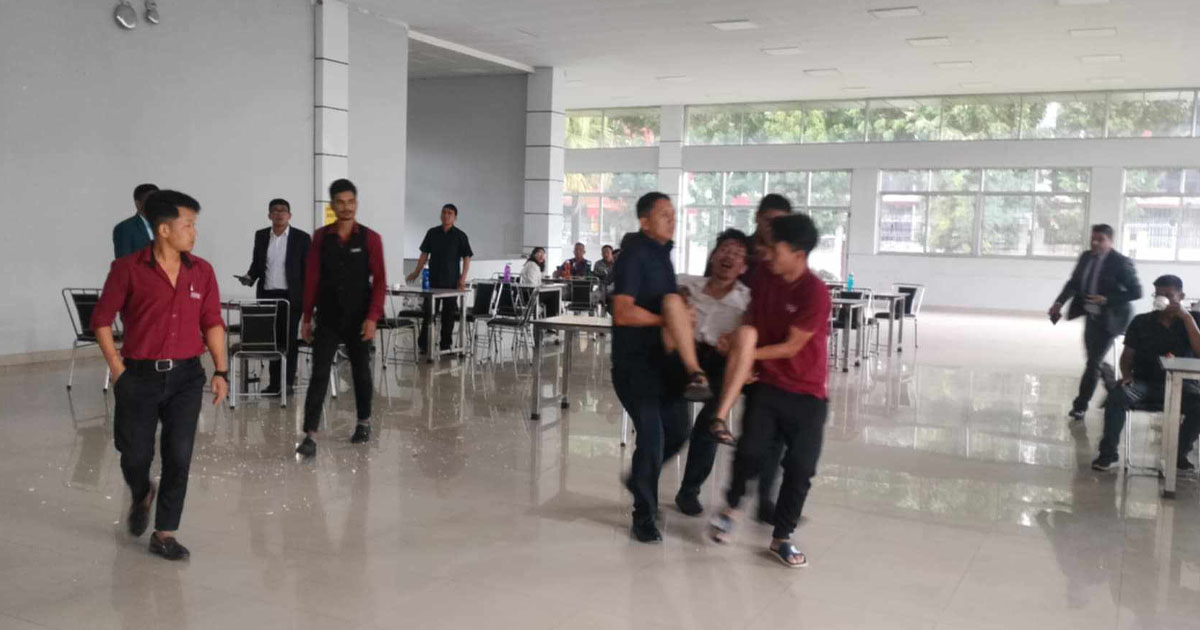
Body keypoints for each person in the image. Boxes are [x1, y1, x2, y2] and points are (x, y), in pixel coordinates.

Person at [91, 190, 229, 560]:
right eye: (188, 225)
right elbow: (101, 320)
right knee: (133, 455)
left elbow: (212, 322)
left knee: (179, 455)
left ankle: (165, 532)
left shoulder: (202, 271)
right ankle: (142, 491)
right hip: (138, 377)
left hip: (186, 377)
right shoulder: (127, 269)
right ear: (164, 229)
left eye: (195, 225)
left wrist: (221, 369)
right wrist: (118, 370)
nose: (194, 232)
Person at [707, 213, 832, 569]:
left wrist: (744, 355)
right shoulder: (764, 277)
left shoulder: (814, 292)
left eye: (774, 248)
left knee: (800, 468)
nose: (767, 253)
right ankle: (731, 509)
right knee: (750, 452)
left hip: (807, 393)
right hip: (768, 386)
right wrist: (738, 341)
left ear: (797, 253)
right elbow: (751, 319)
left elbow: (792, 346)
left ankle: (782, 538)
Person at [611, 192, 714, 543]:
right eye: (663, 214)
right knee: (652, 438)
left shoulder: (662, 255)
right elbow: (622, 311)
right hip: (635, 366)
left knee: (679, 432)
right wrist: (668, 319)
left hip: (664, 366)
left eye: (673, 214)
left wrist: (680, 316)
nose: (672, 220)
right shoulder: (634, 255)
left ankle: (638, 478)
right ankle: (643, 515)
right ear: (644, 221)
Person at [673, 229, 780, 520]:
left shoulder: (747, 299)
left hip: (720, 361)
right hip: (685, 358)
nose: (729, 257)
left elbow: (755, 333)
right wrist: (680, 296)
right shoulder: (687, 283)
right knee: (671, 425)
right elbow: (664, 294)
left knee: (709, 421)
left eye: (737, 254)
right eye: (724, 250)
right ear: (712, 256)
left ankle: (689, 490)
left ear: (744, 267)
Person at [297, 179, 387, 456]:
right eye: (340, 202)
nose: (346, 207)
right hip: (328, 316)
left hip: (360, 317)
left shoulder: (370, 238)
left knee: (361, 371)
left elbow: (380, 281)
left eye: (350, 202)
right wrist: (307, 318)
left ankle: (364, 421)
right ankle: (310, 435)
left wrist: (372, 317)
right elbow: (312, 278)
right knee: (319, 373)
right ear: (333, 205)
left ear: (356, 203)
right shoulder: (321, 237)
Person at [1092, 275, 1200, 471]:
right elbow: (1127, 357)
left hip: (1182, 386)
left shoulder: (1193, 321)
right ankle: (1108, 454)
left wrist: (1187, 318)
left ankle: (1179, 454)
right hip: (1144, 384)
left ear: (1181, 296)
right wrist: (1127, 375)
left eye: (1168, 295)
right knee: (1117, 395)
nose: (1162, 299)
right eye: (1158, 294)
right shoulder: (1141, 322)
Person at [1049, 224, 1142, 421]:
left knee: (1093, 363)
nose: (1095, 243)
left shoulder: (1121, 262)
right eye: (1093, 239)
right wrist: (1058, 303)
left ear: (1110, 241)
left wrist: (1106, 299)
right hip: (1092, 316)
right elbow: (1073, 283)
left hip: (1112, 318)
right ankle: (1114, 389)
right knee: (1094, 359)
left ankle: (1080, 406)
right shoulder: (1086, 257)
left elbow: (1136, 292)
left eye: (1101, 240)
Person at [236, 198, 311, 395]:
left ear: (290, 215)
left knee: (289, 341)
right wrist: (249, 277)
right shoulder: (261, 235)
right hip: (267, 295)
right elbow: (257, 264)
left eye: (283, 210)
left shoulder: (301, 238)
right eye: (275, 210)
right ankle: (274, 383)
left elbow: (308, 269)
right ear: (269, 215)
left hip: (291, 297)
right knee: (272, 341)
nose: (279, 214)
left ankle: (287, 383)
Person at [407, 203, 473, 353]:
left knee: (448, 315)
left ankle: (445, 345)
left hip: (451, 281)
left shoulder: (460, 236)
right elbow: (424, 254)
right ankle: (424, 344)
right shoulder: (432, 233)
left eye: (449, 213)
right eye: (444, 212)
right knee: (428, 313)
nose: (446, 215)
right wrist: (416, 272)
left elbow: (467, 258)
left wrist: (463, 278)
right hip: (433, 280)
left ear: (455, 217)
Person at [112, 183, 159, 259]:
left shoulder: (167, 225)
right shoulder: (125, 228)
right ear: (138, 204)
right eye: (150, 200)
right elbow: (124, 261)